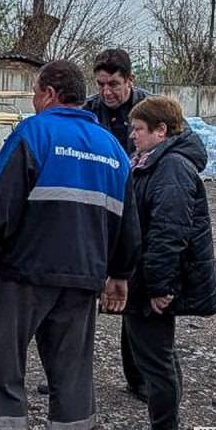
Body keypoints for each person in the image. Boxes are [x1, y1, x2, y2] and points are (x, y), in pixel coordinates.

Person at [0, 59, 140, 430]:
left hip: (25, 274)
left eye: (33, 92)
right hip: (83, 279)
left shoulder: (34, 133)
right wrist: (120, 273)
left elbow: (1, 202)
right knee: (72, 377)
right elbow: (128, 219)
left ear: (48, 93)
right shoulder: (111, 148)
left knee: (0, 370)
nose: (32, 101)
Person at [115, 96, 216, 430]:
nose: (132, 135)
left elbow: (168, 232)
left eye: (138, 129)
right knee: (158, 357)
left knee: (156, 362)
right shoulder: (153, 162)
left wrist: (159, 287)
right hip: (145, 277)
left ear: (161, 130)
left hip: (153, 283)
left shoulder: (172, 167)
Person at [82, 47, 151, 401]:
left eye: (114, 84)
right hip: (97, 212)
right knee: (80, 297)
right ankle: (70, 372)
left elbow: (190, 150)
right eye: (101, 84)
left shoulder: (149, 110)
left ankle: (138, 378)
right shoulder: (89, 111)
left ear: (130, 81)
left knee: (134, 299)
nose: (106, 91)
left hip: (137, 212)